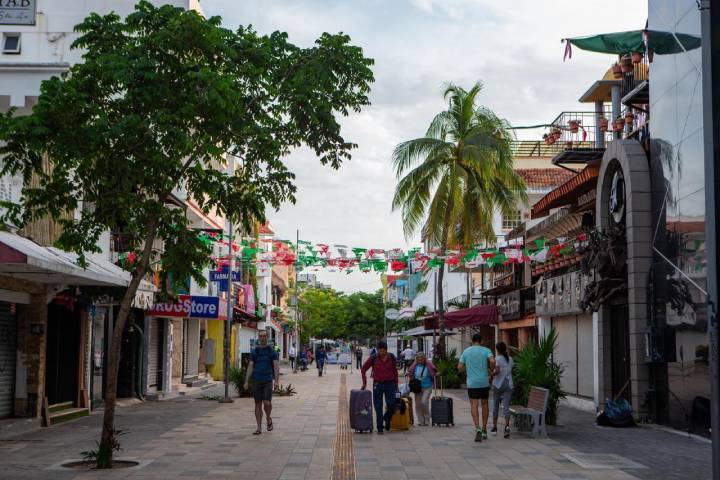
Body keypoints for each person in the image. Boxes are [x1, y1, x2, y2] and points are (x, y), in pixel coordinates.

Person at [458, 333, 495, 442]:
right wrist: (491, 372)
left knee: (474, 404)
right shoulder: (486, 350)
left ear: (472, 340)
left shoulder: (466, 351)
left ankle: (477, 428)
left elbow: (459, 367)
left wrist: (467, 369)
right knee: (484, 404)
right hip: (484, 382)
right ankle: (484, 429)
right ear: (481, 340)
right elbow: (492, 361)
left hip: (472, 383)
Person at [244, 330, 279, 435]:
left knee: (267, 403)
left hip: (267, 380)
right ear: (258, 338)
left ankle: (268, 418)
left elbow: (276, 366)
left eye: (264, 336)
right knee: (257, 403)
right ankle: (259, 427)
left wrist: (276, 381)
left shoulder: (272, 351)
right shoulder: (255, 351)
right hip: (256, 380)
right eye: (261, 336)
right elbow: (250, 366)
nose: (263, 337)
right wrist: (246, 381)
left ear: (267, 337)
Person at [361, 341, 398, 434]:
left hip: (390, 384)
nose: (381, 353)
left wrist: (396, 385)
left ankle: (387, 418)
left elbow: (395, 372)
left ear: (386, 350)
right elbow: (363, 368)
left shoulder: (392, 357)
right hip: (378, 384)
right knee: (378, 407)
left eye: (383, 351)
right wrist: (364, 382)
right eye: (380, 351)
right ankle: (380, 427)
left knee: (392, 405)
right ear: (377, 350)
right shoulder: (374, 358)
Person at [491, 342, 513, 438]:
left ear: (497, 349)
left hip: (498, 384)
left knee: (496, 406)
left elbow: (497, 371)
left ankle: (495, 427)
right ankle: (507, 427)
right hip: (509, 384)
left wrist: (490, 375)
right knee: (506, 406)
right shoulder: (510, 359)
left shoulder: (497, 359)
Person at [407, 352, 436, 426]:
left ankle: (427, 418)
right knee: (418, 404)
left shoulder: (429, 364)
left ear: (424, 359)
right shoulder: (414, 365)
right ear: (416, 359)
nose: (420, 360)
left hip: (427, 386)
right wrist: (408, 374)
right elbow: (410, 372)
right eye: (418, 359)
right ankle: (420, 420)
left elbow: (434, 371)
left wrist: (435, 374)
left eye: (421, 359)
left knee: (424, 402)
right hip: (417, 387)